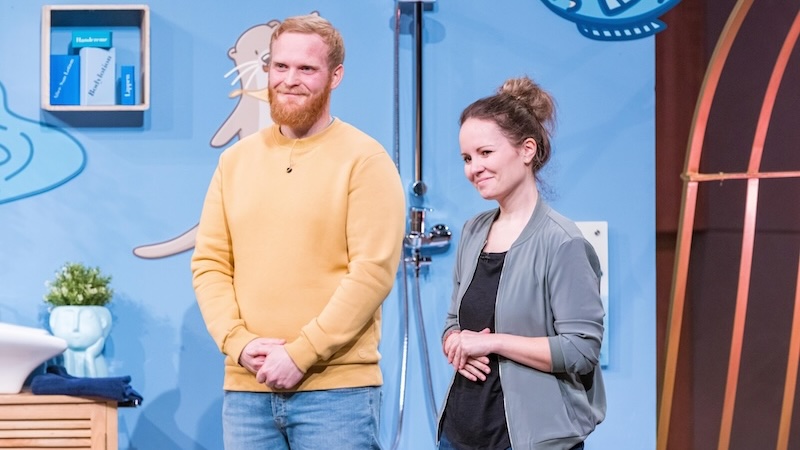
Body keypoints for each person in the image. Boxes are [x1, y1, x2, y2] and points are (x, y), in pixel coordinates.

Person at [191, 14, 406, 450]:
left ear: (335, 76)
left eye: (307, 69)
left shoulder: (365, 160)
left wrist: (300, 353)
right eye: (280, 66)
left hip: (336, 395)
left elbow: (371, 275)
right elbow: (211, 264)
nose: (290, 80)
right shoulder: (235, 162)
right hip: (247, 392)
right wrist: (238, 342)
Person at [438, 76, 606, 450]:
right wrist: (455, 344)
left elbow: (580, 351)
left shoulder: (562, 242)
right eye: (467, 158)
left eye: (485, 153)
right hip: (459, 435)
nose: (473, 168)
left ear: (527, 150)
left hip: (532, 440)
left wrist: (492, 343)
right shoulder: (473, 232)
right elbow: (454, 322)